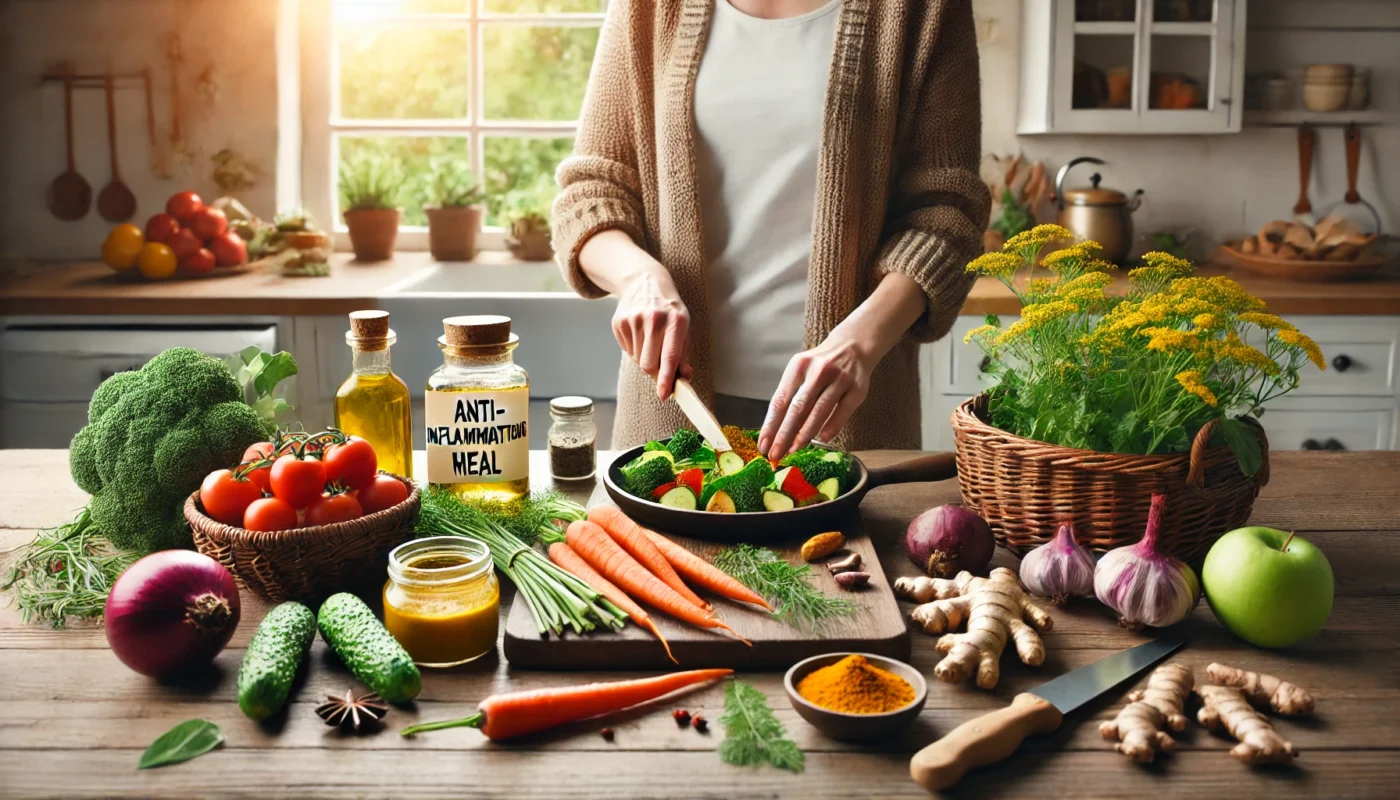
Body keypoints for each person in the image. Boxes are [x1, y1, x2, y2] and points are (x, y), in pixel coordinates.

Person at [553, 0, 989, 458]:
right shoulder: (651, 8)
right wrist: (638, 279)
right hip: (675, 406)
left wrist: (860, 344)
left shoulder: (925, 10)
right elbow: (590, 194)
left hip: (848, 412)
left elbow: (946, 214)